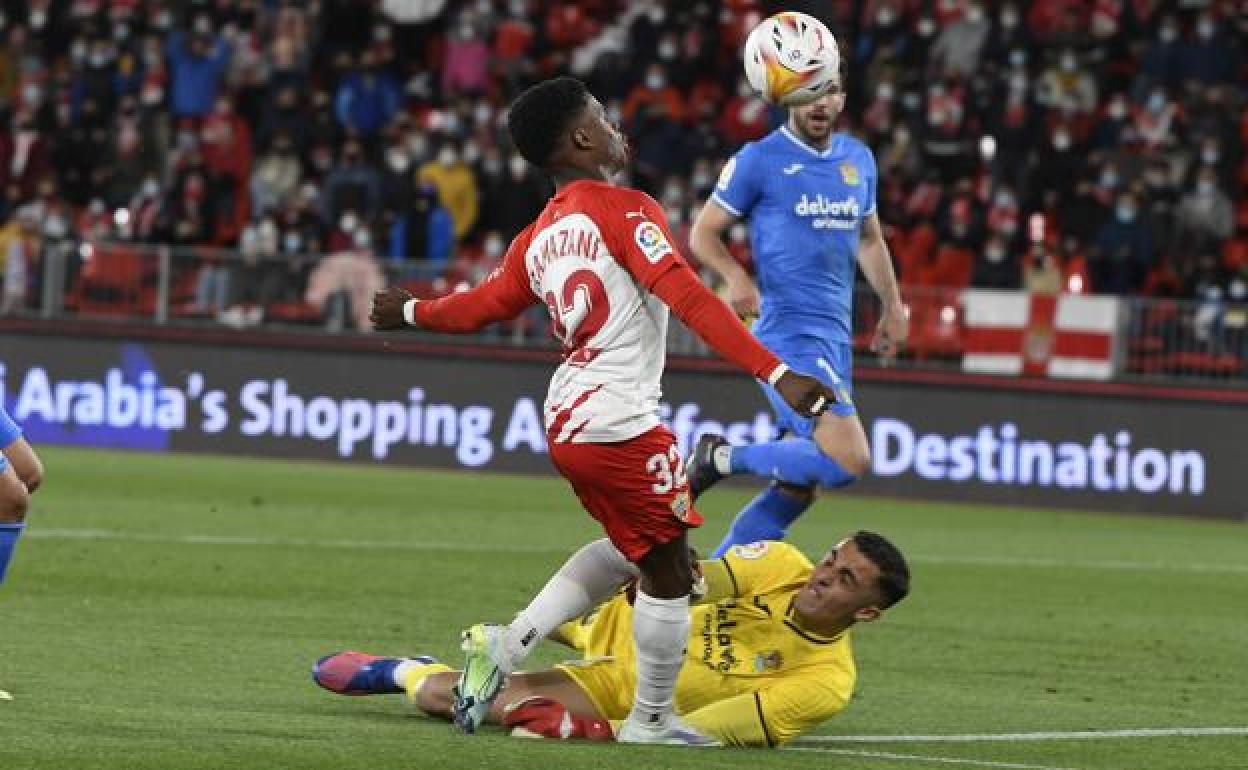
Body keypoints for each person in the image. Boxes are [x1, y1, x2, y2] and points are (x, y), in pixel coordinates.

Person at [368, 76, 839, 744]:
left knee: (632, 552)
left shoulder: (538, 237)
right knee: (671, 572)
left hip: (568, 417)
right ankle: (651, 720)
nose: (618, 126)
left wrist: (412, 310)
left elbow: (478, 307)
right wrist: (778, 372)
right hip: (619, 419)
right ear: (584, 137)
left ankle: (509, 645)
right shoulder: (624, 209)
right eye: (605, 117)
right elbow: (688, 297)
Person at [312, 532, 911, 748]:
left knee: (458, 703)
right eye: (832, 559)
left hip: (622, 689)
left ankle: (405, 671)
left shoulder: (825, 683)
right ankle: (524, 632)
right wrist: (674, 565)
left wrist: (592, 730)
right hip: (625, 621)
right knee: (626, 555)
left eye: (845, 580)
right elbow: (702, 583)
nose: (823, 576)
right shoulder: (782, 561)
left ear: (867, 614)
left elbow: (698, 733)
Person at [686, 74, 907, 558]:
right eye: (809, 93)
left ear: (844, 97)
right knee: (849, 458)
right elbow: (703, 235)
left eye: (829, 91)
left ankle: (713, 590)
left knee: (797, 487)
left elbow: (869, 239)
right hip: (785, 334)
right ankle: (720, 458)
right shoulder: (759, 159)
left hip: (833, 340)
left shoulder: (858, 160)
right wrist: (737, 278)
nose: (820, 103)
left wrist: (892, 305)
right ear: (788, 97)